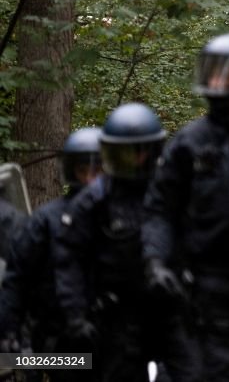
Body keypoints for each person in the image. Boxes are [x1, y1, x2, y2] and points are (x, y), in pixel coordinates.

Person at [143, 32, 229, 381]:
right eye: (211, 72)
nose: (216, 81)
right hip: (209, 293)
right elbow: (159, 211)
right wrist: (154, 260)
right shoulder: (188, 144)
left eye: (226, 74)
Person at [55, 104, 197, 381]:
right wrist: (75, 316)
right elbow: (69, 261)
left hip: (170, 308)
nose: (134, 161)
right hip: (119, 318)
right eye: (123, 154)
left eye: (140, 153)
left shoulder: (171, 193)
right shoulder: (93, 202)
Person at [0, 128, 103, 372]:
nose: (90, 179)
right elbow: (17, 282)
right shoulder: (46, 221)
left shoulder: (131, 215)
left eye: (97, 171)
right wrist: (12, 340)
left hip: (119, 343)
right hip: (62, 347)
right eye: (83, 170)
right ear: (71, 171)